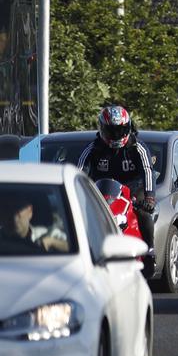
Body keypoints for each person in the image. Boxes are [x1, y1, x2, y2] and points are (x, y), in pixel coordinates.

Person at [78, 104, 155, 246]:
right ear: (102, 129)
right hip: (102, 193)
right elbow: (79, 174)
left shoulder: (138, 148)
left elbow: (147, 171)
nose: (116, 135)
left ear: (128, 128)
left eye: (120, 130)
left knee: (145, 215)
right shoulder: (92, 149)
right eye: (111, 131)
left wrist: (149, 198)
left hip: (133, 190)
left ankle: (150, 251)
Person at [0, 193, 67, 253]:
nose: (14, 216)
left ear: (30, 211)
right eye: (7, 209)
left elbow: (71, 245)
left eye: (18, 209)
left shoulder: (46, 234)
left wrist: (53, 242)